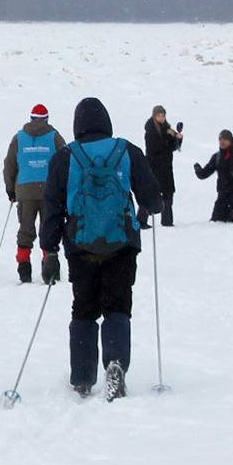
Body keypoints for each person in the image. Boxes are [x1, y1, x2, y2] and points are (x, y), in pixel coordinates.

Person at [40, 98, 163, 399]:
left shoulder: (64, 157)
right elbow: (154, 199)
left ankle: (83, 377)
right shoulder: (126, 150)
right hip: (122, 244)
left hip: (80, 247)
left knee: (83, 309)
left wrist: (49, 251)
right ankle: (116, 364)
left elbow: (53, 207)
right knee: (117, 306)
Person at [3, 104, 66, 284]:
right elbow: (65, 162)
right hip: (50, 191)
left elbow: (10, 165)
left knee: (25, 231)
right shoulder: (55, 137)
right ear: (47, 119)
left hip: (24, 191)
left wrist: (10, 189)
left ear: (31, 118)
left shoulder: (19, 138)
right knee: (49, 229)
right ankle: (50, 269)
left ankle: (24, 270)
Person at [141, 106, 183, 226]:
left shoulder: (168, 129)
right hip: (153, 166)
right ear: (154, 116)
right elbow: (154, 148)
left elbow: (174, 147)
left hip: (166, 167)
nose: (161, 118)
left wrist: (178, 139)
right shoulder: (150, 131)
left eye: (163, 116)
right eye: (159, 116)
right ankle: (142, 220)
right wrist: (168, 139)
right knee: (150, 194)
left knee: (168, 194)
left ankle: (167, 221)